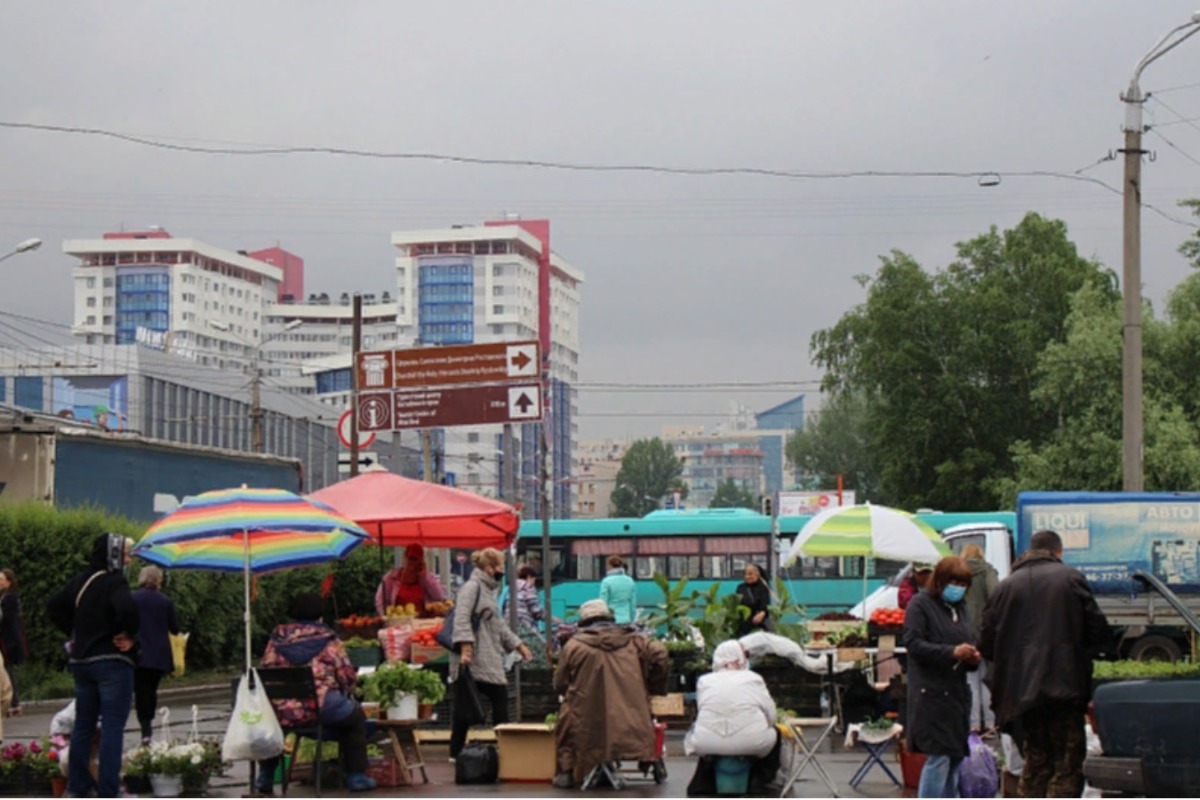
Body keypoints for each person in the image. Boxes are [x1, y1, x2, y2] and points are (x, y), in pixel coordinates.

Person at [979, 530, 1112, 798]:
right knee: (1067, 763)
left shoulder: (1005, 587)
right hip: (1065, 687)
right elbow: (1098, 630)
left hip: (1020, 694)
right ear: (1057, 552)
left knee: (1036, 760)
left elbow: (985, 643)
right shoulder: (1070, 578)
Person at [45, 533, 139, 800]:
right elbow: (128, 610)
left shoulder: (79, 580)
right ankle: (108, 790)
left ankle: (77, 787)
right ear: (112, 556)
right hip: (111, 662)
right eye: (125, 555)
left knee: (83, 725)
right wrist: (130, 634)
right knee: (111, 726)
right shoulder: (114, 582)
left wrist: (75, 634)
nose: (129, 560)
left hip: (81, 662)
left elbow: (53, 606)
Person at [256, 592, 376, 794]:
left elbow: (266, 669)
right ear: (320, 615)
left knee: (275, 728)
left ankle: (265, 778)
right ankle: (356, 777)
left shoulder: (276, 640)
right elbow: (346, 676)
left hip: (281, 710)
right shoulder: (328, 639)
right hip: (321, 708)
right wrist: (348, 689)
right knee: (355, 718)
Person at [552, 599, 668, 788]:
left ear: (583, 623)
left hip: (586, 722)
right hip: (631, 718)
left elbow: (560, 683)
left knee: (566, 718)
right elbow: (661, 654)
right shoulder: (635, 641)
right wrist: (653, 685)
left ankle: (566, 771)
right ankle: (646, 760)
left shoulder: (574, 646)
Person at [904, 555, 981, 799]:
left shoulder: (961, 608)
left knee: (956, 756)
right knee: (938, 757)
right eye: (954, 583)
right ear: (940, 581)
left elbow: (968, 639)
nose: (958, 589)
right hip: (931, 693)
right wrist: (951, 652)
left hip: (957, 694)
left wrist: (972, 657)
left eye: (963, 585)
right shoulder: (919, 605)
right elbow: (913, 644)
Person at [448, 548, 532, 759]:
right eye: (499, 568)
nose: (501, 572)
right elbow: (461, 617)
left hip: (486, 655)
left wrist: (518, 645)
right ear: (489, 568)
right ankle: (461, 751)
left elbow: (498, 624)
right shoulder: (472, 588)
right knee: (471, 706)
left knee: (487, 701)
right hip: (473, 657)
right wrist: (466, 647)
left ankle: (493, 748)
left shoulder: (487, 590)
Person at [684, 640, 781, 796]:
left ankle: (703, 783)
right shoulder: (753, 679)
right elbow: (772, 715)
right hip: (752, 743)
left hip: (707, 743)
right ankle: (763, 781)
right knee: (776, 734)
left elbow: (702, 710)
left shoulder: (704, 681)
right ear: (739, 659)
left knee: (704, 738)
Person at [130, 565, 179, 743]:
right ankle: (147, 728)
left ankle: (145, 727)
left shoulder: (132, 598)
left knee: (140, 690)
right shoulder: (165, 601)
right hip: (159, 655)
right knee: (150, 690)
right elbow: (174, 628)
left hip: (137, 652)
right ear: (159, 580)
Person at [959, 543, 998, 735]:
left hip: (965, 630)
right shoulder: (988, 571)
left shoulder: (959, 573)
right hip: (987, 631)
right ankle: (990, 723)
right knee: (987, 679)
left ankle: (973, 724)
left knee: (971, 679)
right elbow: (995, 596)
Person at [374, 543, 447, 617]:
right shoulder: (391, 577)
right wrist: (384, 616)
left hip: (422, 622)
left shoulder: (426, 578)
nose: (411, 562)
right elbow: (380, 599)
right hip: (398, 621)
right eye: (410, 558)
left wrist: (425, 575)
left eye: (415, 559)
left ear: (421, 561)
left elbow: (440, 597)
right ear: (404, 558)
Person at [0, 568, 27, 716]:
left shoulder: (9, 599)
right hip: (7, 640)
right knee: (6, 671)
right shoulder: (6, 597)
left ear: (9, 582)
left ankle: (13, 702)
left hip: (7, 641)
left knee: (7, 671)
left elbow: (9, 622)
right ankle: (13, 701)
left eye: (1, 580)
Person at [502, 565, 546, 632]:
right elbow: (536, 611)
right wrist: (551, 618)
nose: (534, 583)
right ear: (529, 577)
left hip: (509, 625)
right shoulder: (528, 587)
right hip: (524, 626)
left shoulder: (510, 587)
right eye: (534, 579)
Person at [734, 564, 773, 637]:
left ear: (757, 575)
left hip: (759, 624)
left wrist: (762, 613)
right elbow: (737, 604)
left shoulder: (763, 588)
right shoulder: (741, 587)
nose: (747, 576)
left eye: (750, 574)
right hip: (744, 625)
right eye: (745, 574)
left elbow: (765, 605)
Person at [599, 555, 637, 624]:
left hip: (611, 621)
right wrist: (631, 619)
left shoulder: (606, 581)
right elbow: (632, 603)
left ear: (609, 566)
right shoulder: (630, 581)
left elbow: (603, 603)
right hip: (626, 620)